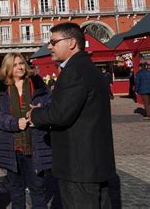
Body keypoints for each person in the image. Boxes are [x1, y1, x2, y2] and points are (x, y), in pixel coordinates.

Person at [28, 22, 115, 208]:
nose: (49, 46)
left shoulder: (74, 71)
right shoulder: (90, 69)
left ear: (72, 43)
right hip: (95, 161)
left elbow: (60, 114)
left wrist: (35, 114)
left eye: (53, 41)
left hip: (79, 165)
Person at [0, 52, 52, 208]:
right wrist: (13, 123)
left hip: (36, 144)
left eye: (21, 63)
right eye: (15, 64)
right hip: (11, 147)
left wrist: (40, 113)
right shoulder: (0, 88)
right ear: (8, 67)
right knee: (16, 190)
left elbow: (51, 107)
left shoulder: (38, 84)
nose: (20, 67)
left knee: (38, 189)